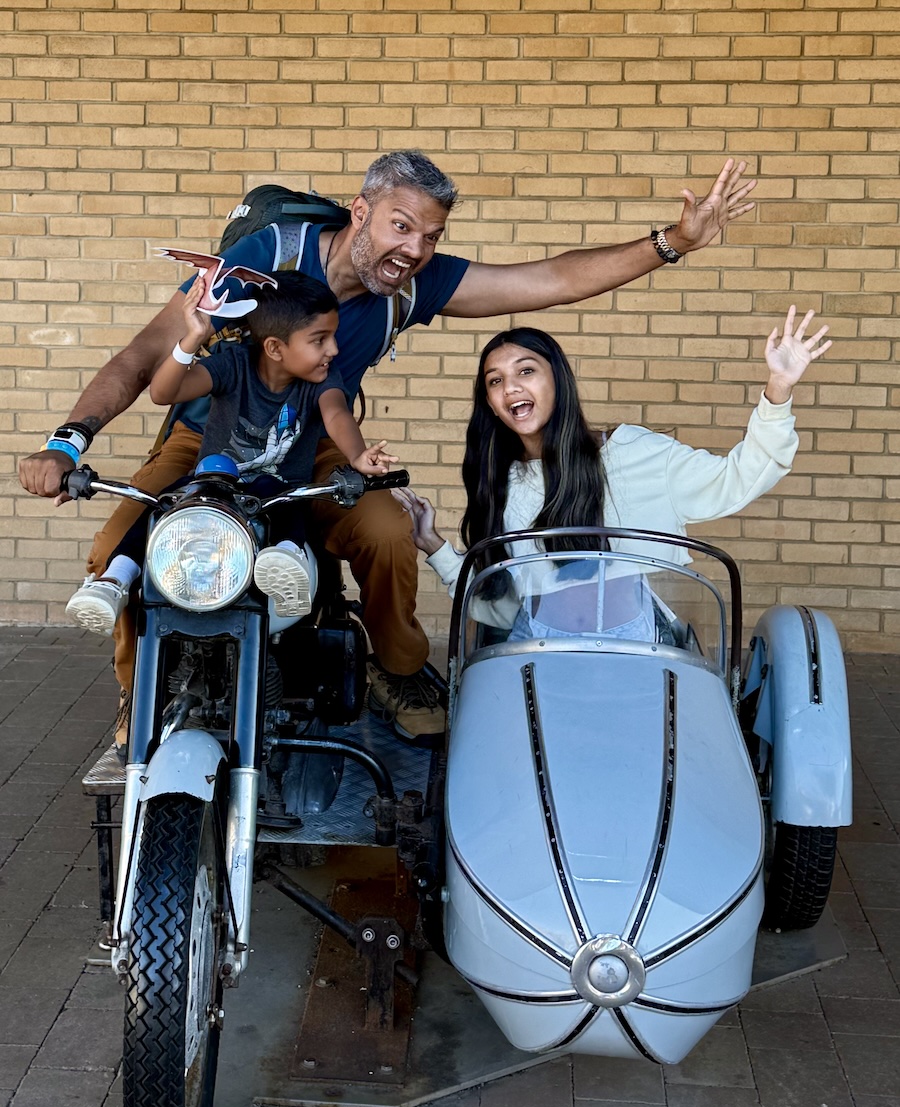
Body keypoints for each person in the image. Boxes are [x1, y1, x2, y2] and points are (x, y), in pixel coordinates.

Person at [19, 149, 757, 746]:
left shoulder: (411, 287)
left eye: (431, 236)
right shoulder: (266, 255)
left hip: (318, 450)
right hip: (208, 441)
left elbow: (549, 281)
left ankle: (398, 669)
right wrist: (66, 441)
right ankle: (138, 689)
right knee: (119, 541)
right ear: (362, 210)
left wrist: (672, 244)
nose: (415, 250)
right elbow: (145, 355)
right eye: (402, 227)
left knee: (387, 529)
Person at [392, 307, 832, 640]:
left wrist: (779, 388)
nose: (511, 388)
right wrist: (434, 546)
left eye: (526, 371)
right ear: (488, 401)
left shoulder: (634, 452)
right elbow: (505, 609)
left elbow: (738, 479)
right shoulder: (504, 481)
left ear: (557, 380)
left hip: (636, 642)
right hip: (536, 645)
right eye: (495, 380)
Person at [66, 271, 395, 635]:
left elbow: (336, 414)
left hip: (276, 492)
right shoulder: (233, 364)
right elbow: (163, 393)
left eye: (332, 337)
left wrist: (357, 455)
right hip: (215, 489)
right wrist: (191, 339)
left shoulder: (322, 380)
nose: (333, 350)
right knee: (162, 504)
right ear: (274, 347)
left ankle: (288, 562)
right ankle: (113, 581)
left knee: (282, 493)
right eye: (320, 340)